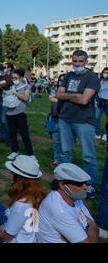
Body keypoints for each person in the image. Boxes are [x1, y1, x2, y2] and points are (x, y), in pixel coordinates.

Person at [56, 50, 100, 198]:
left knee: (88, 155)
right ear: (72, 60)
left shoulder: (92, 77)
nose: (77, 64)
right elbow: (58, 94)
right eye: (75, 61)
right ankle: (65, 181)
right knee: (65, 152)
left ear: (86, 62)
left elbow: (84, 100)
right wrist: (75, 95)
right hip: (65, 118)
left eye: (81, 61)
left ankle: (91, 184)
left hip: (84, 121)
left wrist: (67, 96)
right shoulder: (68, 76)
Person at [37, 163, 99, 243]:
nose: (85, 187)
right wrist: (91, 226)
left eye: (85, 183)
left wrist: (92, 225)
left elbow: (93, 225)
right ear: (62, 185)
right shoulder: (59, 210)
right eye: (79, 184)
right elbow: (91, 226)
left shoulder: (75, 198)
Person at [5, 69, 35, 160]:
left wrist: (15, 93)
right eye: (13, 77)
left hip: (20, 113)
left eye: (16, 77)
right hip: (9, 113)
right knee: (12, 133)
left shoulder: (26, 87)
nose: (14, 79)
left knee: (24, 133)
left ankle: (31, 154)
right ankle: (14, 151)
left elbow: (26, 98)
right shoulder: (12, 86)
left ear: (22, 78)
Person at [47, 74, 65, 168]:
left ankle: (64, 161)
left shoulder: (70, 92)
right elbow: (51, 98)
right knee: (56, 141)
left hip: (65, 119)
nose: (62, 82)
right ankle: (57, 160)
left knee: (65, 142)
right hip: (54, 118)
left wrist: (58, 99)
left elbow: (55, 99)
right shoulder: (54, 89)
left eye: (64, 80)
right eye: (60, 80)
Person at [0, 63, 11, 145]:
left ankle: (7, 138)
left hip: (5, 101)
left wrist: (0, 86)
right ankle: (2, 137)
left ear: (1, 70)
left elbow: (5, 86)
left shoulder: (7, 77)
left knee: (4, 120)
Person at [95, 67, 108, 140]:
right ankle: (97, 133)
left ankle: (106, 134)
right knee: (96, 117)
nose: (105, 74)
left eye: (107, 73)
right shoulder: (99, 80)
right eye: (104, 72)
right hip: (99, 101)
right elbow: (96, 90)